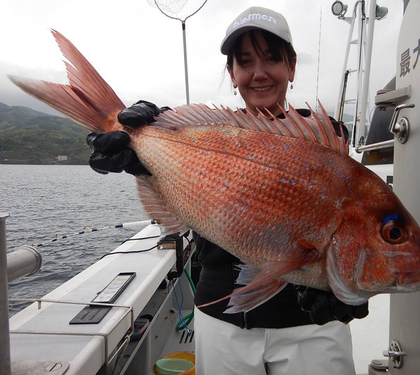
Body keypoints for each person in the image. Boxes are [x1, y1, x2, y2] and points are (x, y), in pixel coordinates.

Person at [87, 7, 368, 374]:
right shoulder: (204, 138)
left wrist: (355, 292)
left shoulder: (327, 139)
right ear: (232, 74)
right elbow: (179, 196)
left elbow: (362, 228)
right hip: (221, 320)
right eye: (245, 62)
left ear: (292, 66)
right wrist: (148, 148)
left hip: (311, 327)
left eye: (271, 58)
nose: (259, 73)